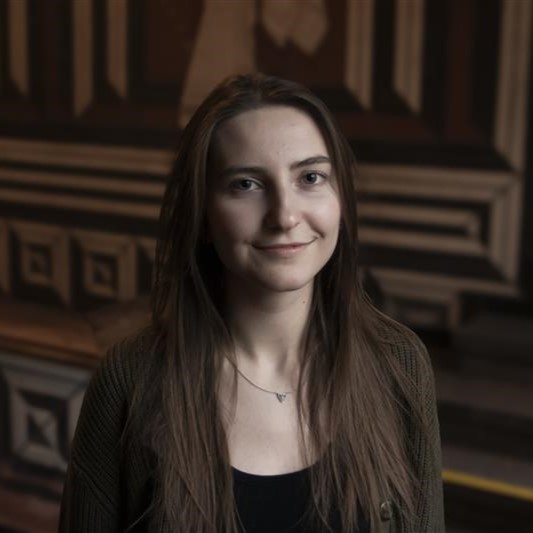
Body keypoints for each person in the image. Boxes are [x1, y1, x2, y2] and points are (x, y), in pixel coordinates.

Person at [59, 73, 444, 532]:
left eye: (311, 177)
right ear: (203, 215)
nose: (284, 215)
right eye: (246, 184)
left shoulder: (399, 362)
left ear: (341, 198)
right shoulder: (130, 379)